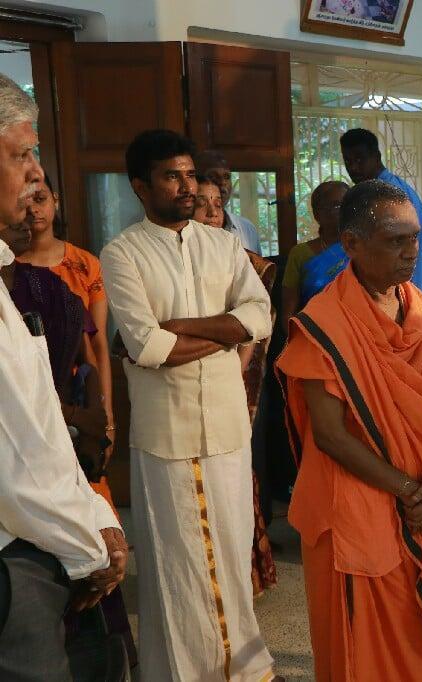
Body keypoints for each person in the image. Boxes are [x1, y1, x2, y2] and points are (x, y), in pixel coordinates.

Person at [100, 129, 276, 681]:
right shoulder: (122, 253)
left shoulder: (223, 245)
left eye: (190, 175)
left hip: (227, 428)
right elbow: (148, 347)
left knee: (232, 555)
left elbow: (260, 317)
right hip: (166, 438)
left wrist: (186, 328)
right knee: (177, 570)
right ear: (140, 186)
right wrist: (224, 334)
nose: (187, 187)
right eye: (171, 176)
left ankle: (243, 670)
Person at [277, 180, 422, 681]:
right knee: (364, 655)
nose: (411, 252)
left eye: (414, 238)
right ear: (352, 244)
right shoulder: (323, 324)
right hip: (355, 508)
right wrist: (408, 489)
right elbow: (330, 435)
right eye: (394, 240)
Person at [0, 72, 126, 679]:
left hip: (51, 523)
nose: (36, 174)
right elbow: (15, 454)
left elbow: (39, 418)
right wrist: (89, 543)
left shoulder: (15, 278)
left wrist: (94, 518)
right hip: (16, 549)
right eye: (21, 155)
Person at [194, 174, 279, 598]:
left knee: (237, 478)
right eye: (202, 202)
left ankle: (245, 576)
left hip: (235, 380)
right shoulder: (176, 259)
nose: (213, 211)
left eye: (218, 202)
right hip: (185, 382)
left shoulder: (245, 262)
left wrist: (233, 367)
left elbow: (256, 324)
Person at [17, 173, 116, 467]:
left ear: (55, 201)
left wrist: (105, 414)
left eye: (40, 199)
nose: (34, 210)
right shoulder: (8, 267)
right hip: (26, 395)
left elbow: (97, 344)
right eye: (24, 203)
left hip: (77, 392)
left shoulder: (84, 264)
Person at [341, 128, 422, 300]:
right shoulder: (403, 189)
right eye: (348, 161)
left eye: (360, 159)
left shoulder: (378, 198)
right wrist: (419, 269)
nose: (353, 167)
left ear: (377, 156)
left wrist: (408, 272)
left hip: (400, 304)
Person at [280, 179, 350, 329]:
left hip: (358, 333)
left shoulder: (362, 249)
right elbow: (288, 314)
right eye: (337, 205)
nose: (345, 211)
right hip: (315, 332)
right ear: (318, 214)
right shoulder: (300, 254)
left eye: (348, 205)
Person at [195, 148, 263, 255]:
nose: (222, 182)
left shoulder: (247, 228)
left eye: (227, 177)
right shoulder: (184, 231)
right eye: (213, 176)